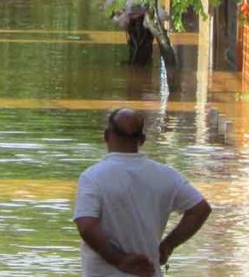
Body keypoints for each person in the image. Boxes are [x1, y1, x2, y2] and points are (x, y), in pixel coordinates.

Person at [74, 108, 211, 277]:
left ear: (106, 136)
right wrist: (168, 245)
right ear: (142, 139)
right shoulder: (166, 176)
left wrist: (120, 260)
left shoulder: (92, 177)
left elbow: (87, 227)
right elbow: (200, 209)